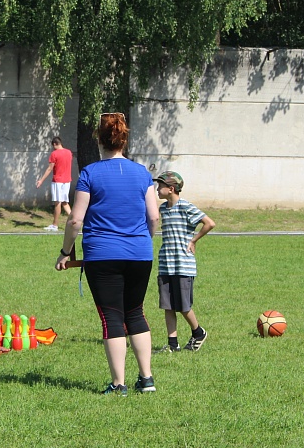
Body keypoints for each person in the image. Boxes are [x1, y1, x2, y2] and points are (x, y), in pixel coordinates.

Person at [55, 113, 160, 396]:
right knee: (135, 312)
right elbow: (153, 217)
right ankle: (147, 379)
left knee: (112, 316)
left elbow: (75, 220)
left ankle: (118, 384)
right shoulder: (143, 174)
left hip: (103, 255)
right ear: (124, 140)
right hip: (140, 253)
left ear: (99, 140)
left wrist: (65, 252)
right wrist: (141, 241)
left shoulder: (91, 173)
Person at [153, 170, 216, 353]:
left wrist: (193, 240)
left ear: (171, 189)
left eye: (160, 186)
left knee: (182, 305)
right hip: (166, 263)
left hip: (183, 264)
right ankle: (173, 345)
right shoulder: (163, 209)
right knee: (168, 305)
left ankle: (198, 332)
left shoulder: (186, 207)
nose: (157, 189)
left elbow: (209, 223)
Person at [36, 136, 73, 231]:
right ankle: (75, 221)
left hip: (58, 181)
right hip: (67, 180)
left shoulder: (54, 154)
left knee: (58, 203)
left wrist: (41, 180)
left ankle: (55, 225)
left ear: (54, 144)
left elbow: (49, 168)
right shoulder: (69, 152)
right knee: (65, 202)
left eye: (53, 146)